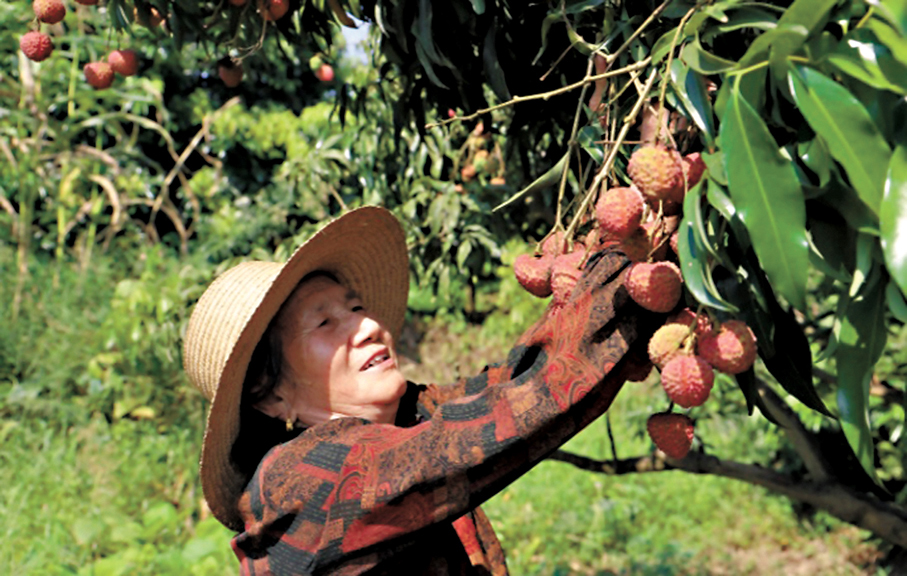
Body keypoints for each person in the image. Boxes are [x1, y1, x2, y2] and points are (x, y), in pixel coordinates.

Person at [183, 206, 658, 575]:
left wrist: (625, 260)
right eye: (326, 322)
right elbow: (498, 425)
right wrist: (627, 272)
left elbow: (509, 385)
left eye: (357, 307)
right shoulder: (302, 480)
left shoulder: (404, 420)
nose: (369, 325)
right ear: (271, 395)